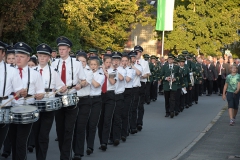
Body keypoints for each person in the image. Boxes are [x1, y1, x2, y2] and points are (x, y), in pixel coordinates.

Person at [51, 36, 86, 160]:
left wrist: (79, 85)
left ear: (69, 50)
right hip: (58, 97)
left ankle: (65, 156)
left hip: (71, 96)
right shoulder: (54, 63)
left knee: (68, 128)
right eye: (59, 49)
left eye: (63, 49)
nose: (61, 51)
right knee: (60, 129)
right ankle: (63, 153)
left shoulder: (76, 64)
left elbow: (84, 81)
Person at [11, 42, 45, 160]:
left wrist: (36, 95)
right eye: (16, 56)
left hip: (26, 110)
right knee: (12, 140)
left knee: (21, 141)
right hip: (10, 109)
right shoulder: (8, 72)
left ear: (28, 58)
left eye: (22, 56)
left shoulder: (35, 74)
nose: (18, 59)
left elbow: (40, 92)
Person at [33, 43, 67, 160]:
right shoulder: (32, 71)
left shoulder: (53, 71)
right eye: (40, 56)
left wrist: (63, 89)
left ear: (48, 58)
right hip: (35, 105)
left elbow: (61, 87)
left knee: (43, 135)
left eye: (44, 56)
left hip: (48, 105)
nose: (42, 58)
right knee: (36, 134)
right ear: (37, 56)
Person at [0, 41, 26, 158]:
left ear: (3, 53)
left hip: (5, 106)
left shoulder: (11, 70)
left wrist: (21, 93)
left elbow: (19, 91)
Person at [72, 51, 93, 160]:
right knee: (72, 127)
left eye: (84, 61)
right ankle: (72, 149)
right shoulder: (72, 71)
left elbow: (85, 83)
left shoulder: (89, 71)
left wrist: (79, 83)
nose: (82, 63)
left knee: (80, 126)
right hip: (73, 100)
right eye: (79, 61)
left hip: (85, 100)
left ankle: (78, 152)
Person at [85, 56, 104, 156]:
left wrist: (90, 76)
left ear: (98, 66)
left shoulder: (101, 75)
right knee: (86, 124)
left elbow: (96, 85)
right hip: (86, 99)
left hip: (96, 100)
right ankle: (87, 143)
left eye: (95, 64)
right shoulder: (85, 73)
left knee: (93, 124)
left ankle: (90, 146)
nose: (93, 66)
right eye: (91, 64)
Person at [98, 54, 116, 151]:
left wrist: (106, 73)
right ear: (103, 62)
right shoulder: (98, 70)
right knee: (100, 120)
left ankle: (105, 142)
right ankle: (101, 141)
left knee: (107, 119)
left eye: (110, 62)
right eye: (107, 62)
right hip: (100, 95)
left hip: (110, 95)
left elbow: (112, 82)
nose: (108, 64)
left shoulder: (113, 71)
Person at [134, 45, 150, 131]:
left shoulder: (144, 62)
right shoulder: (131, 61)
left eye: (139, 52)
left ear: (141, 53)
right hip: (133, 84)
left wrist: (143, 76)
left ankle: (139, 122)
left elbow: (148, 73)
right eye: (136, 52)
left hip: (141, 83)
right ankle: (132, 123)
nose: (137, 53)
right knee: (133, 104)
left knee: (140, 105)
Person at [160, 53, 180, 118]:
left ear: (173, 60)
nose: (169, 60)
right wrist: (166, 78)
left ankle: (172, 111)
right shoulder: (164, 67)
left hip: (173, 85)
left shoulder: (176, 67)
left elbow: (179, 76)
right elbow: (161, 75)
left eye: (171, 59)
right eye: (169, 59)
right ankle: (167, 112)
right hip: (166, 85)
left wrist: (175, 78)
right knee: (167, 99)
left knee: (172, 99)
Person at [121, 54, 134, 142]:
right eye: (123, 61)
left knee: (125, 112)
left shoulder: (131, 70)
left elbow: (128, 79)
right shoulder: (118, 69)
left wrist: (121, 75)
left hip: (128, 91)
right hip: (120, 91)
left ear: (128, 61)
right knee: (119, 113)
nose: (124, 63)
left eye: (126, 61)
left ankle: (124, 132)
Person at [129, 50, 142, 134]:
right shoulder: (125, 66)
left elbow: (139, 73)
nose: (133, 59)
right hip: (128, 89)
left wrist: (132, 66)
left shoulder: (138, 66)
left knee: (134, 108)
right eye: (131, 57)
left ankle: (133, 126)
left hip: (135, 89)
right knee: (127, 109)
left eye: (134, 57)